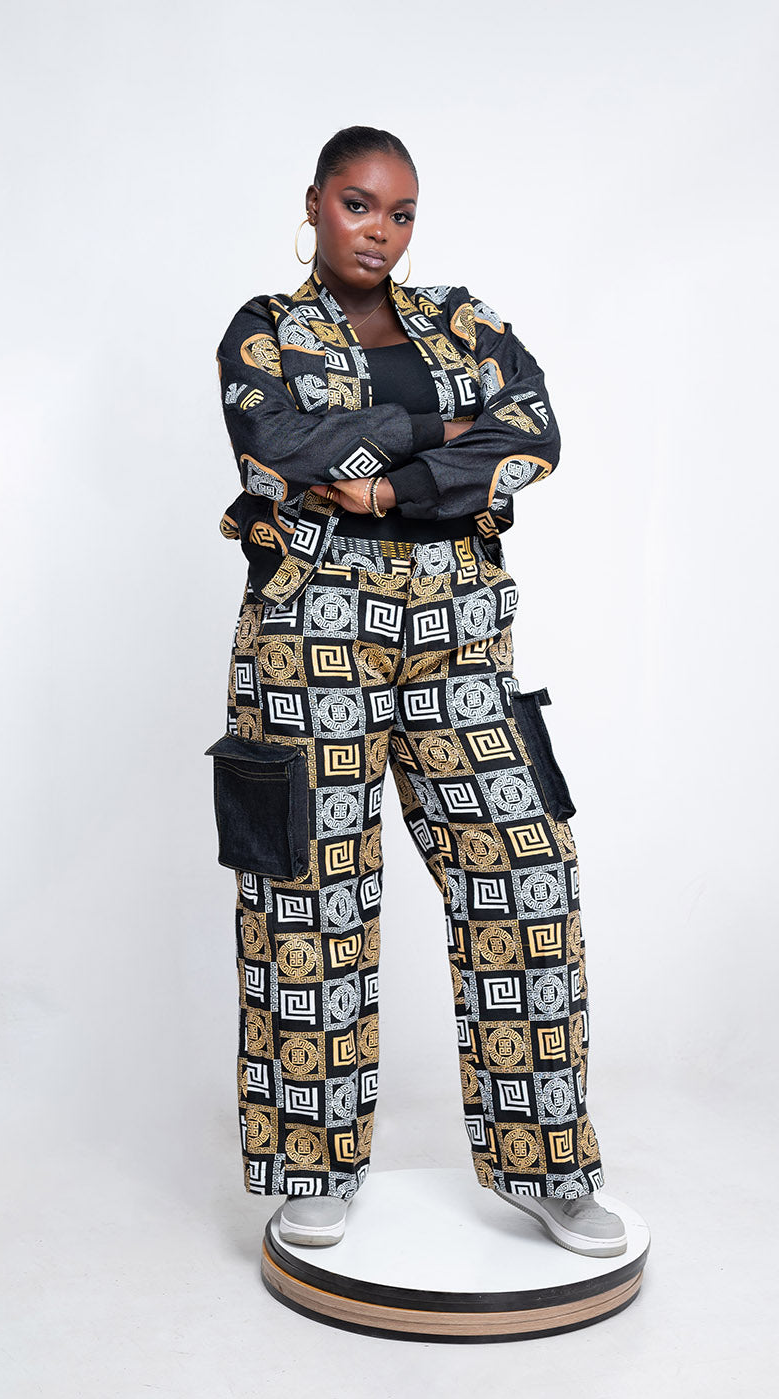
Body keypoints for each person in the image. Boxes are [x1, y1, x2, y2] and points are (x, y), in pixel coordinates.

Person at [210, 125, 626, 1260]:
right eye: (358, 204)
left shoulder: (462, 318)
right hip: (311, 627)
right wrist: (442, 430)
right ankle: (312, 1164)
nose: (379, 231)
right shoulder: (263, 330)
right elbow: (283, 446)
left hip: (460, 630)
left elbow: (532, 430)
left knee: (526, 874)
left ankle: (548, 1163)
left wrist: (389, 484)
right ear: (313, 202)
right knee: (310, 895)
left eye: (400, 213)